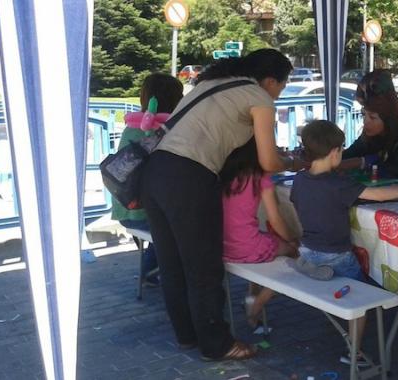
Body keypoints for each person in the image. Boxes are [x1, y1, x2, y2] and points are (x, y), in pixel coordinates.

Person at [141, 48, 301, 361]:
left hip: (155, 172)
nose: (279, 95)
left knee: (173, 265)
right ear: (270, 80)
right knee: (204, 268)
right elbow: (268, 160)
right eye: (281, 87)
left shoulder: (210, 83)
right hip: (189, 177)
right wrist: (293, 163)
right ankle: (217, 344)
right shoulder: (258, 97)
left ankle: (187, 336)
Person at [290, 120, 398, 365]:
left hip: (308, 248)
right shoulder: (338, 184)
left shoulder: (299, 180)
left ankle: (313, 268)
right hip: (337, 256)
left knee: (325, 264)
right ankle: (353, 353)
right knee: (363, 300)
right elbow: (377, 194)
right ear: (334, 153)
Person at [111, 73, 183, 286]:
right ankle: (162, 274)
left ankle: (149, 271)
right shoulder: (166, 131)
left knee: (161, 231)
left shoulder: (131, 127)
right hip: (145, 213)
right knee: (179, 228)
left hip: (124, 208)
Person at [219, 137, 298, 329]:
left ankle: (252, 295)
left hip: (222, 248)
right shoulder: (260, 177)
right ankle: (257, 304)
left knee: (264, 241)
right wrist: (292, 241)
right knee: (296, 254)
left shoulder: (221, 174)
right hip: (249, 248)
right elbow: (275, 219)